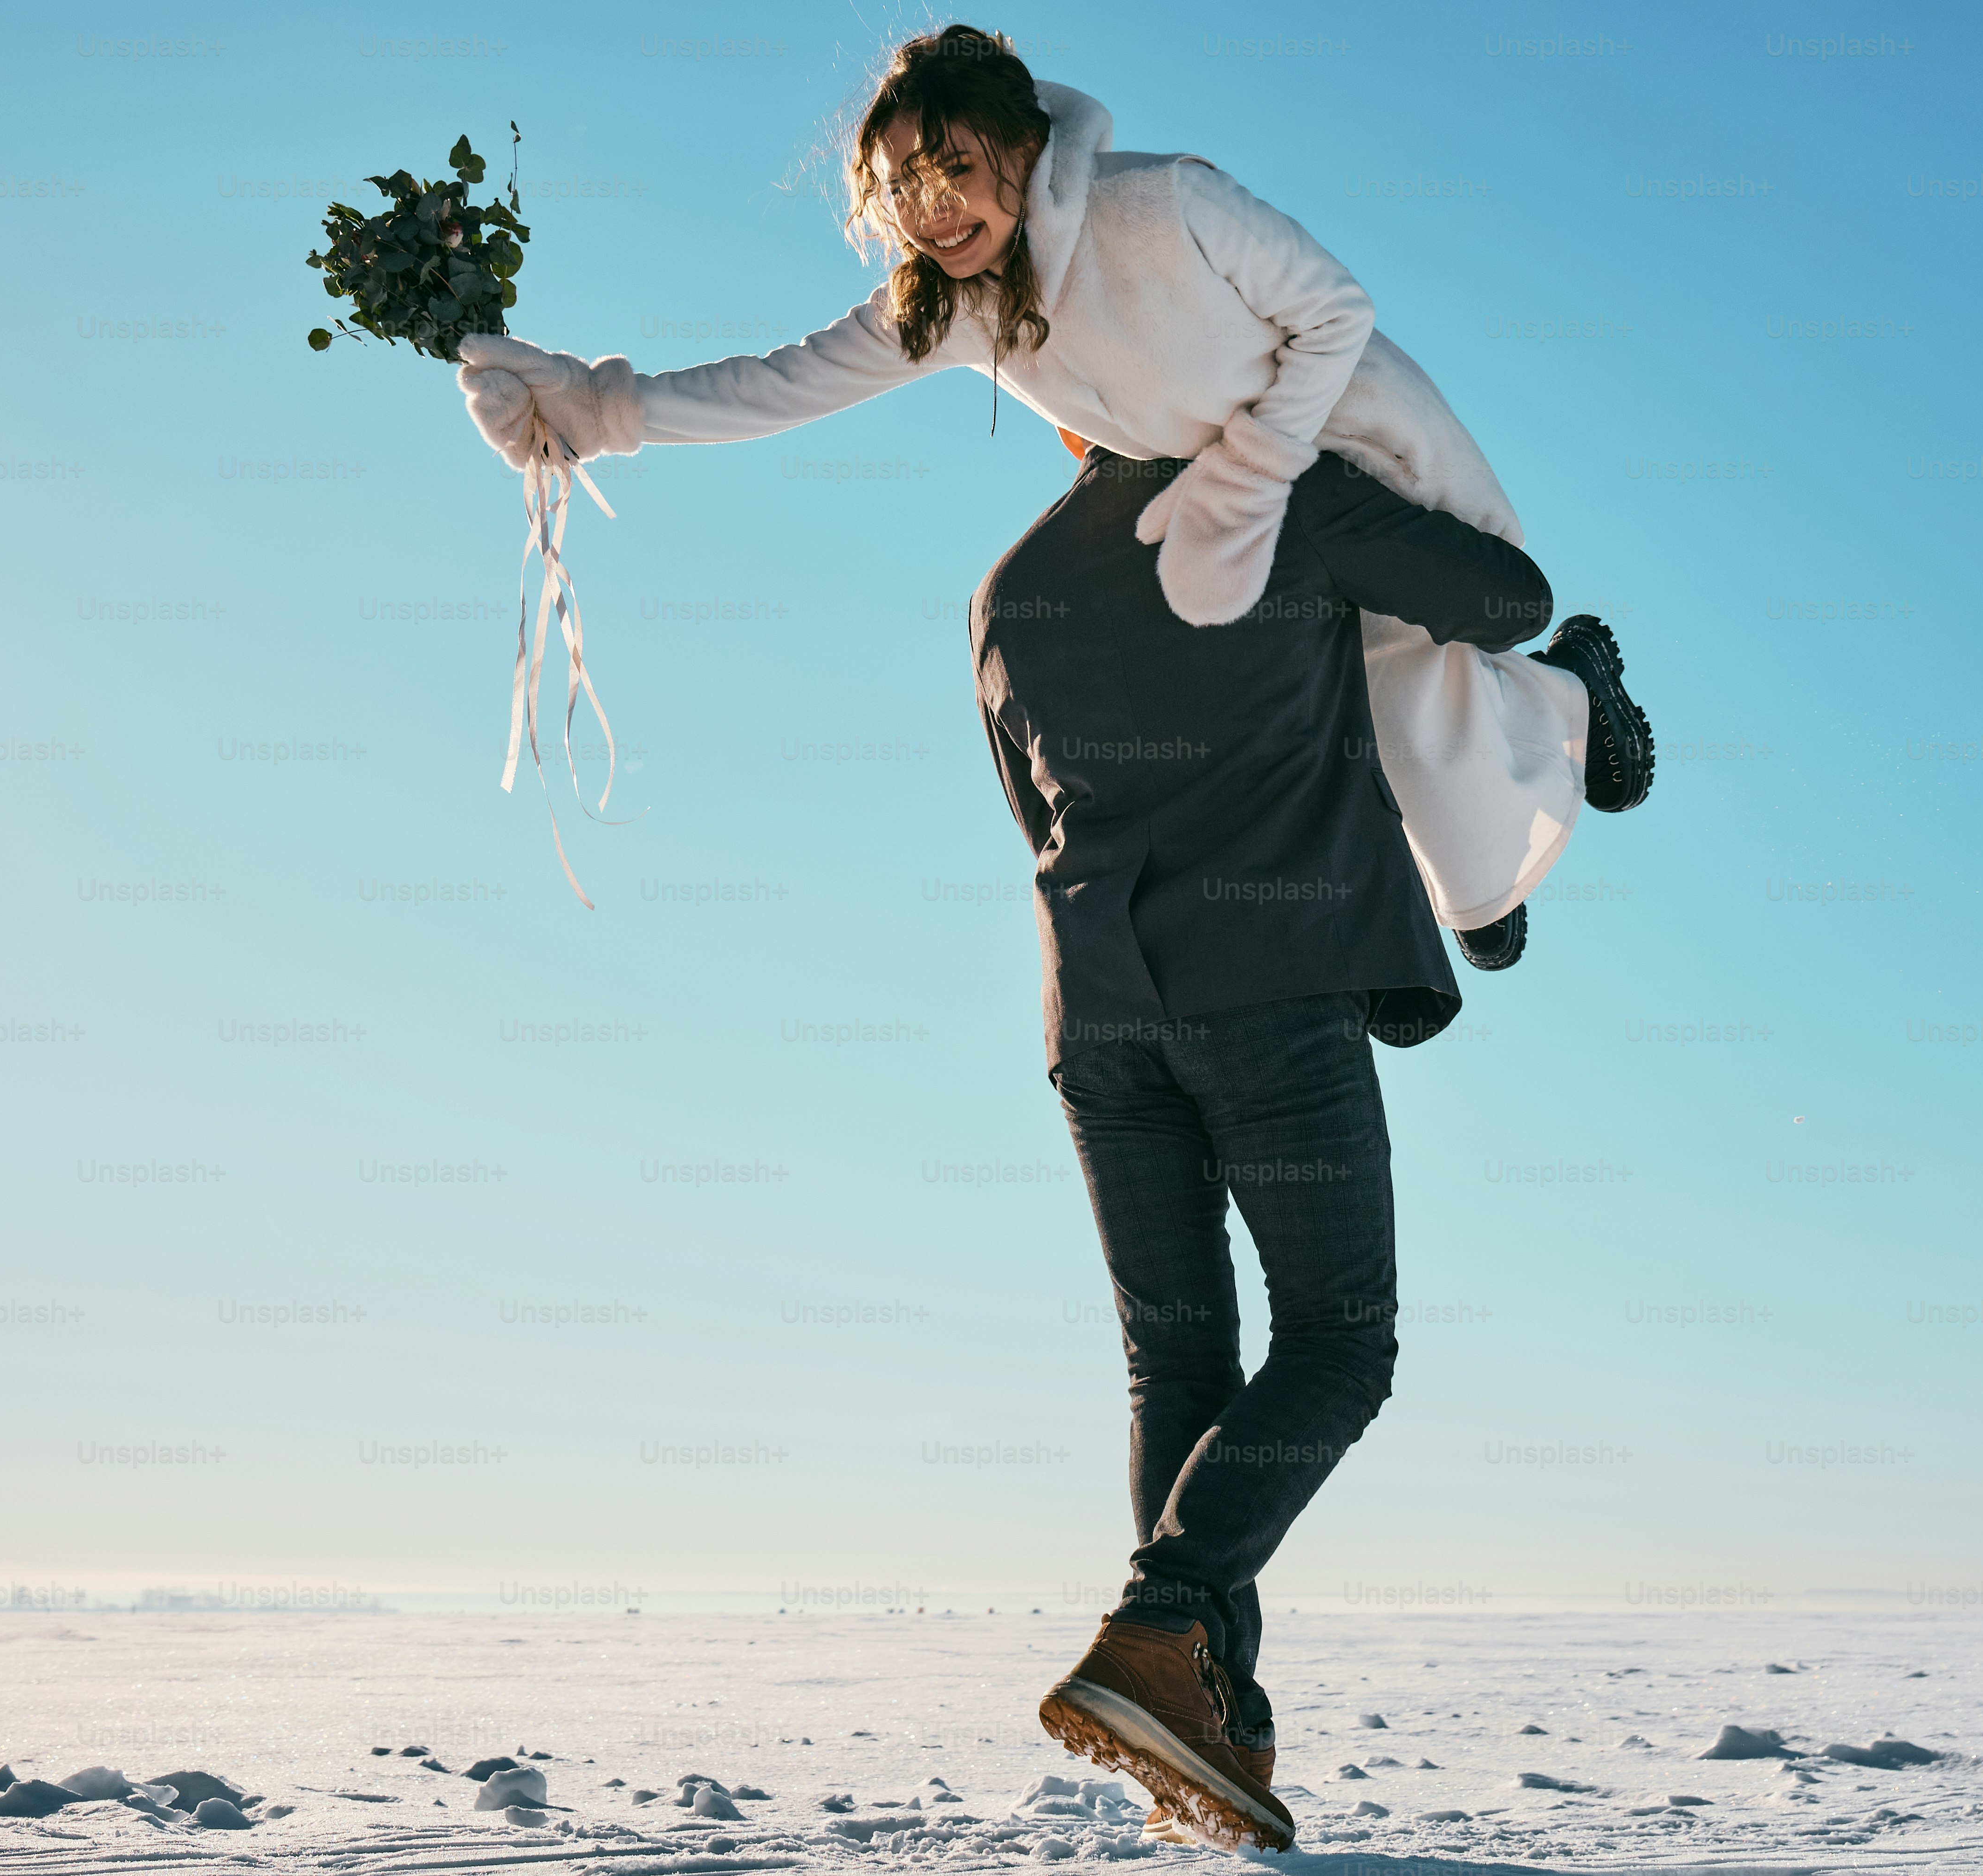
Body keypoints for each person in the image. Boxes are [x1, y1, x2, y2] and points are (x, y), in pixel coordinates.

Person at [454, 25, 1654, 973]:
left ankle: (1567, 679)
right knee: (1411, 774)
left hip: (1343, 443)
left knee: (1492, 606)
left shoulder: (1165, 202)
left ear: (1019, 146)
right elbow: (779, 385)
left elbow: (1336, 312)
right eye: (902, 190)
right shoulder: (950, 305)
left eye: (954, 169)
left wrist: (1261, 461)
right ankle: (1500, 810)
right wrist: (597, 414)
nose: (932, 210)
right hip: (1239, 526)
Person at [972, 429, 1580, 1849]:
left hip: (1098, 1014)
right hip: (1268, 983)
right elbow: (1510, 598)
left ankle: (1210, 1723)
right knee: (1337, 1340)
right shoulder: (1274, 494)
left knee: (1179, 1360)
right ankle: (1158, 1625)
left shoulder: (1009, 586)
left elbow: (1030, 807)